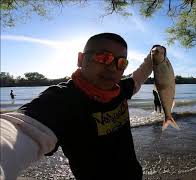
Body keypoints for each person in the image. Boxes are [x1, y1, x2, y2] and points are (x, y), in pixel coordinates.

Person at [0, 33, 157, 180]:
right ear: (80, 59)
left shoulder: (120, 89)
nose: (112, 68)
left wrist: (155, 55)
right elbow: (20, 129)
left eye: (121, 62)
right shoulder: (61, 99)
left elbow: (139, 76)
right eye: (103, 58)